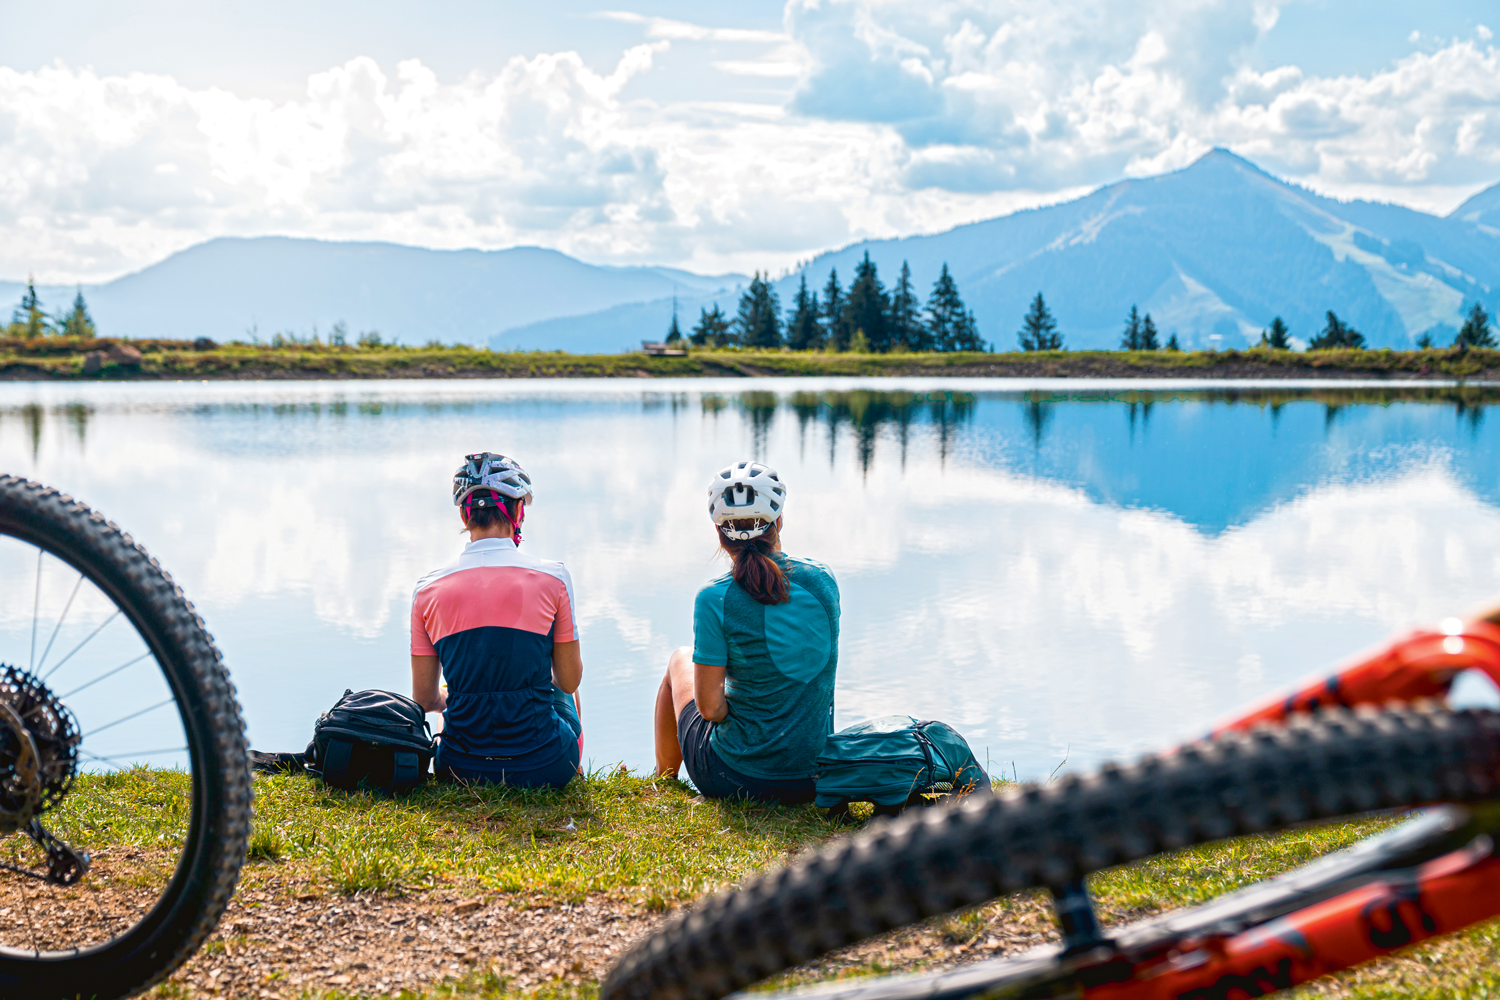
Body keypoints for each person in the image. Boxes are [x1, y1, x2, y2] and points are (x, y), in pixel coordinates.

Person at [653, 461, 839, 803]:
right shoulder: (823, 580)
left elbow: (711, 710)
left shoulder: (714, 597)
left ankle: (663, 780)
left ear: (719, 533)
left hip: (735, 779)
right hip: (815, 777)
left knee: (679, 659)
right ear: (778, 522)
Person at [410, 452, 583, 789]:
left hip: (458, 769)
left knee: (453, 696)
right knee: (564, 680)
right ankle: (574, 772)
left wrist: (459, 695)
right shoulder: (555, 579)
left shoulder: (426, 590)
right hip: (546, 765)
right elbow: (569, 680)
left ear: (465, 514)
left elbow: (425, 699)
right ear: (518, 512)